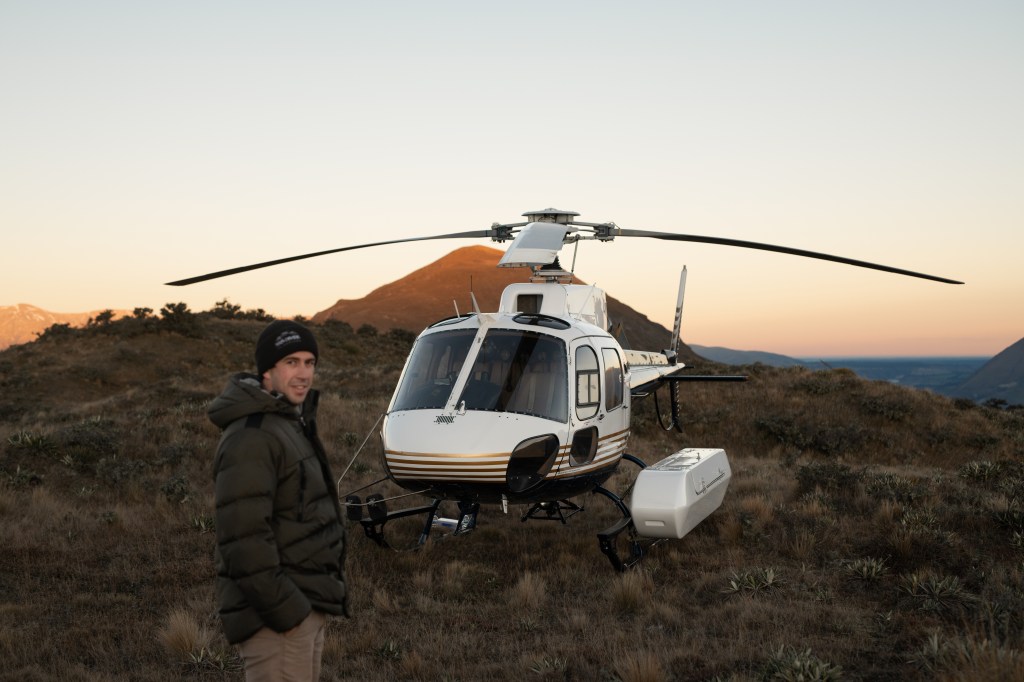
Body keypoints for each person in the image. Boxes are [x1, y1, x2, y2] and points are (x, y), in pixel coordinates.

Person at [208, 319, 348, 681]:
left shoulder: (285, 423)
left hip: (305, 607)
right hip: (278, 620)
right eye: (291, 362)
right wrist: (289, 613)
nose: (303, 374)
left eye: (309, 362)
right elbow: (244, 540)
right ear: (267, 370)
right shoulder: (252, 437)